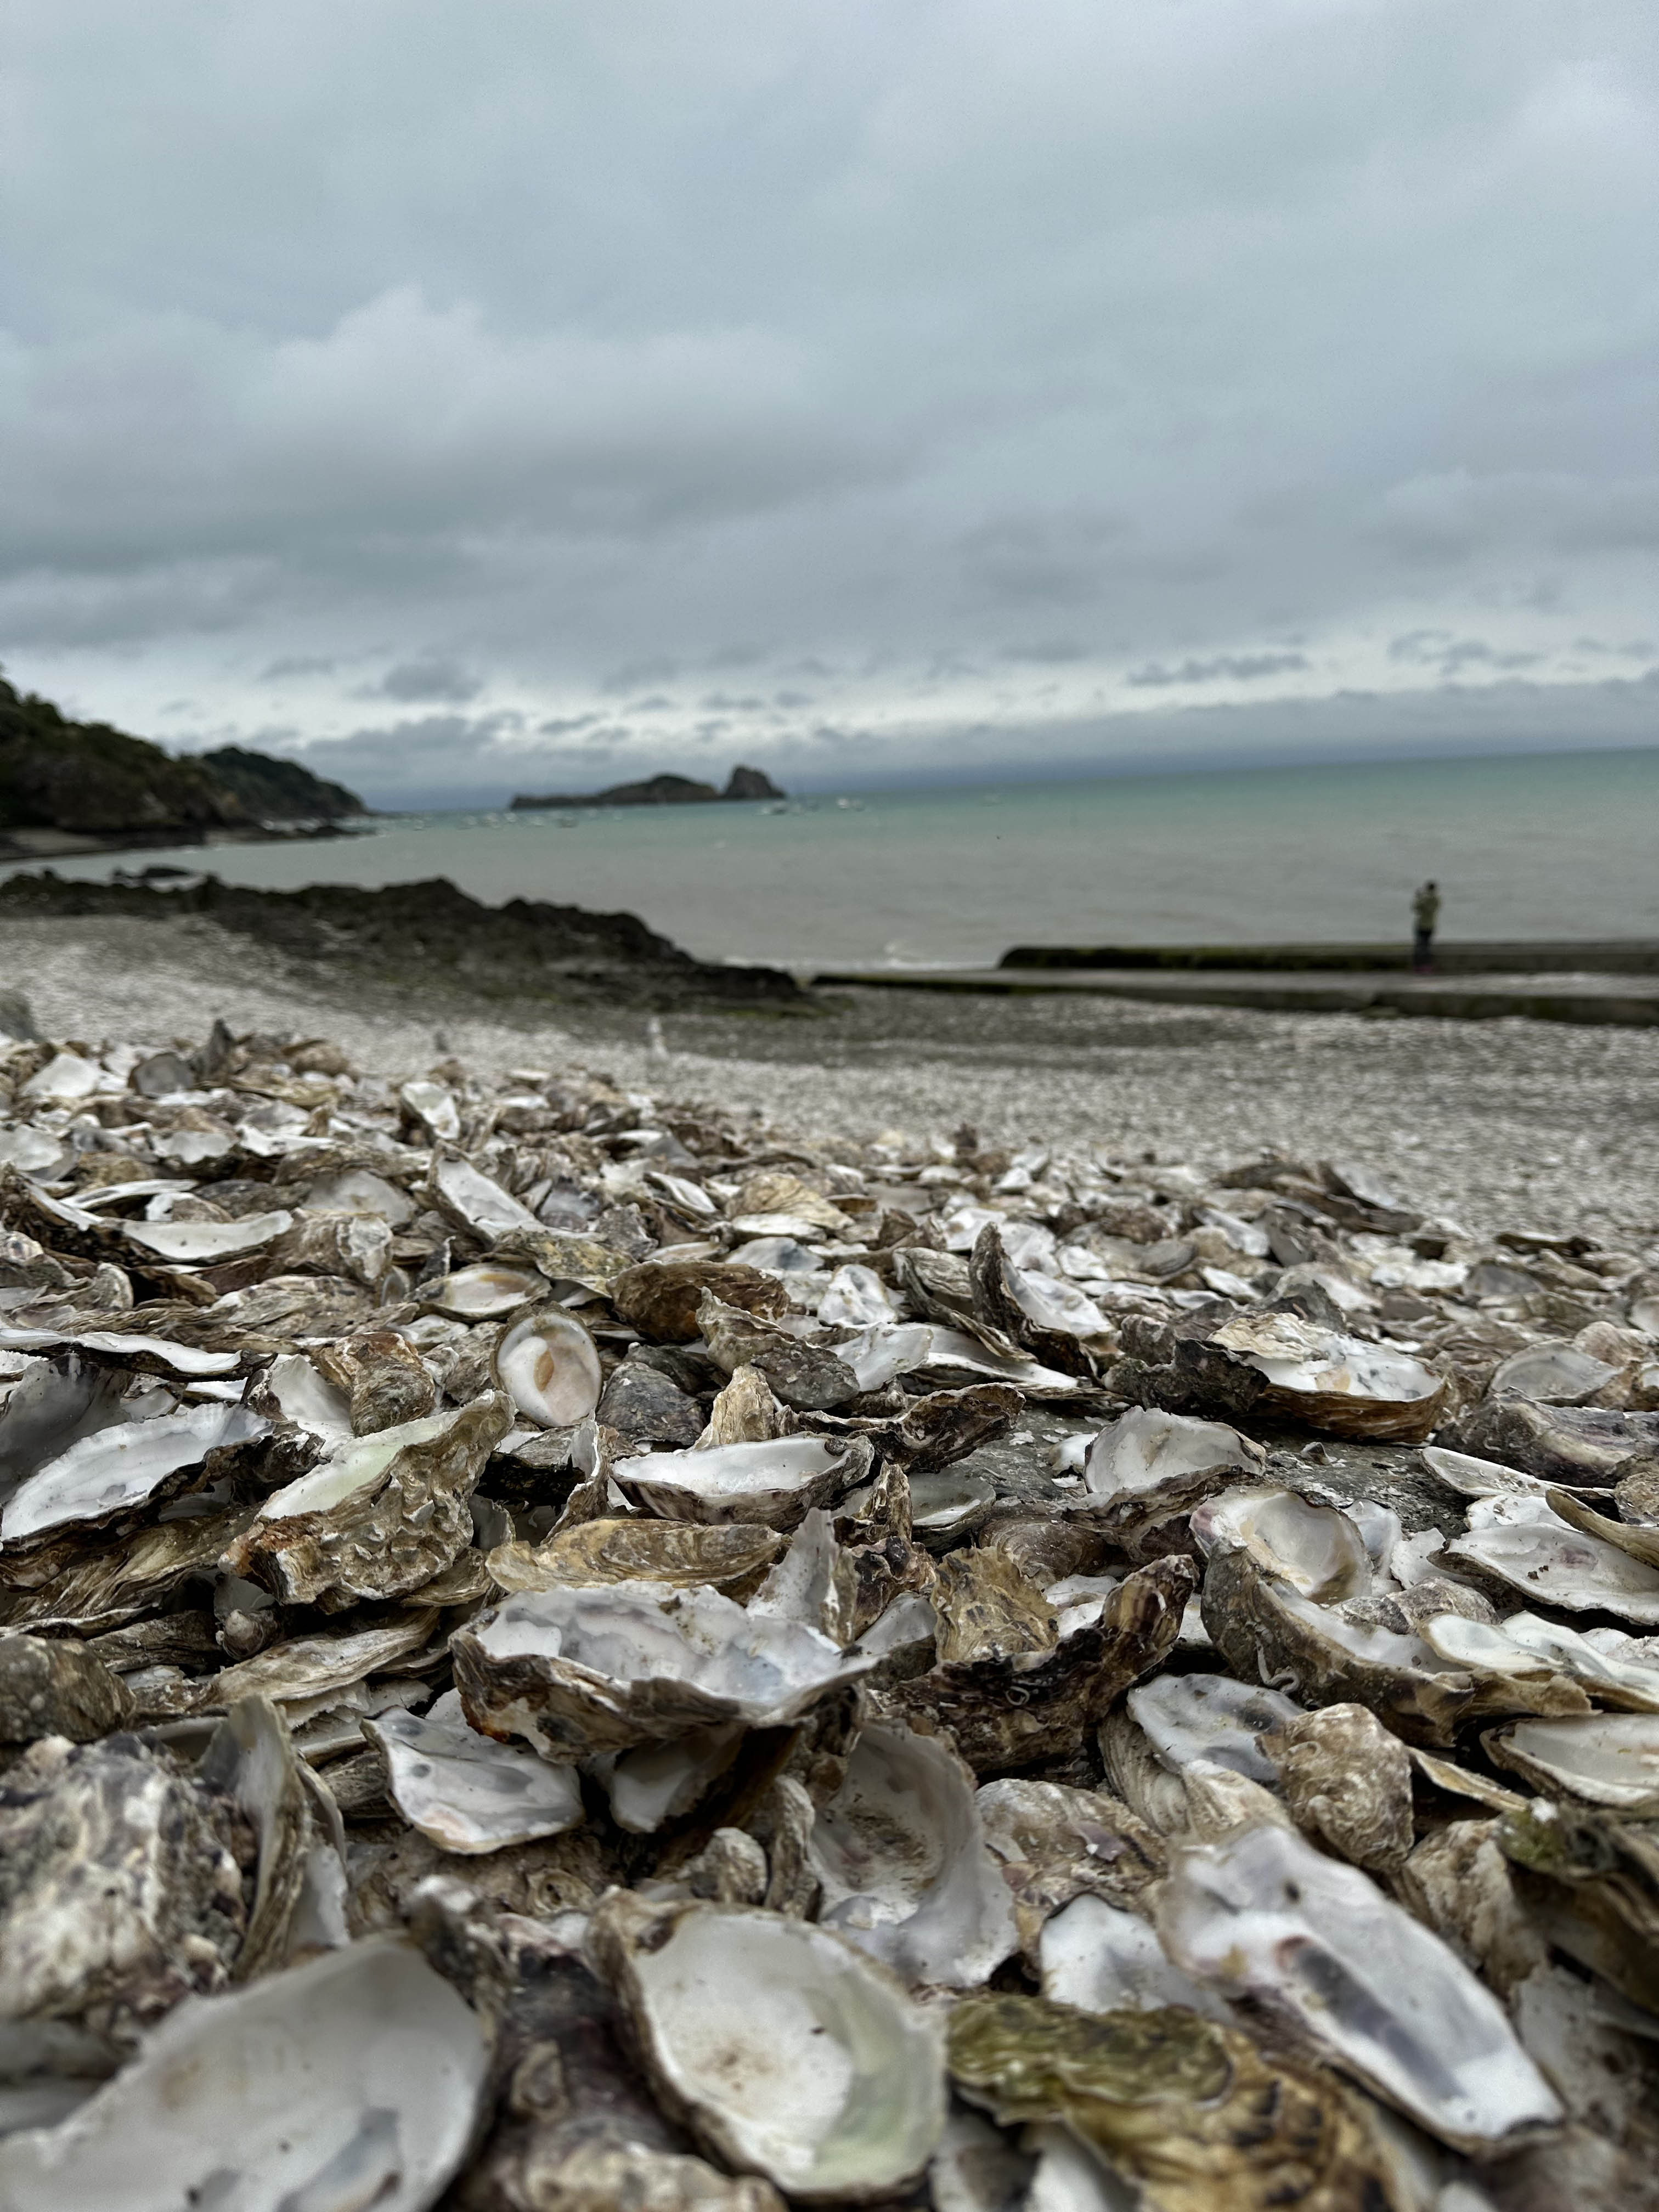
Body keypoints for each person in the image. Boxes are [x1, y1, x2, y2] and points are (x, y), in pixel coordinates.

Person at [1412, 880, 1440, 972]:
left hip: (1424, 925)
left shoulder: (1431, 899)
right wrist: (1420, 898)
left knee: (1422, 947)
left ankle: (1423, 965)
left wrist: (1421, 898)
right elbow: (1416, 908)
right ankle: (1423, 966)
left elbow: (1422, 909)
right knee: (1424, 947)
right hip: (1427, 925)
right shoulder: (1436, 899)